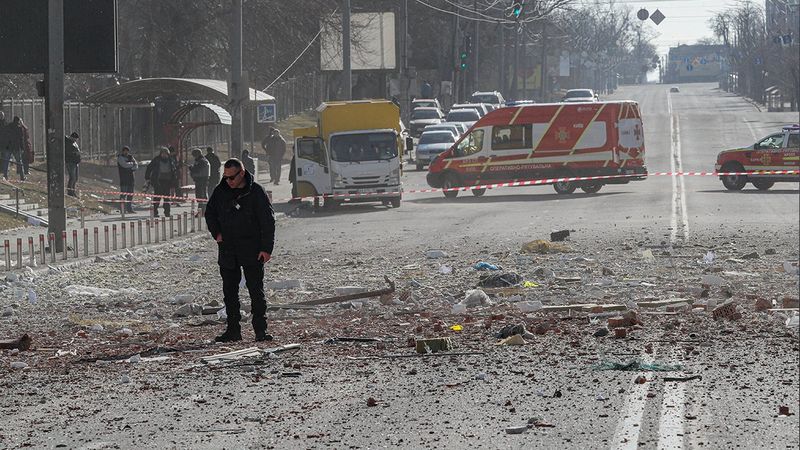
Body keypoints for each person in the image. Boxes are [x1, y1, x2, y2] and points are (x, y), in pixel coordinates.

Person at [205, 158, 275, 343]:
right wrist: (217, 234)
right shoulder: (220, 191)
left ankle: (260, 330)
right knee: (229, 292)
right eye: (225, 177)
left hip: (252, 249)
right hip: (228, 249)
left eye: (232, 177)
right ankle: (233, 330)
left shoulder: (256, 192)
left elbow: (267, 221)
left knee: (255, 291)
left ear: (242, 173)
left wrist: (266, 248)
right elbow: (210, 213)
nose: (228, 181)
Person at [144, 147, 177, 217]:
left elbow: (174, 170)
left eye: (166, 154)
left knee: (167, 198)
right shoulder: (156, 160)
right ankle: (155, 212)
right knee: (157, 197)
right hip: (158, 181)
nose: (164, 155)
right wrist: (147, 177)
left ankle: (167, 212)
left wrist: (174, 180)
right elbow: (149, 167)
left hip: (168, 181)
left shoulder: (171, 160)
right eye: (163, 153)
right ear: (161, 154)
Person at [3, 116, 28, 181]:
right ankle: (22, 176)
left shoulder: (8, 127)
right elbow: (21, 139)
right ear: (18, 121)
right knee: (19, 162)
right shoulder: (19, 128)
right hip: (16, 147)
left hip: (8, 146)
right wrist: (22, 148)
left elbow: (5, 136)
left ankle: (5, 176)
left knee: (6, 161)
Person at [117, 146, 138, 213]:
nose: (126, 152)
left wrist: (131, 167)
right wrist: (132, 164)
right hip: (124, 178)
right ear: (122, 151)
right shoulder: (120, 158)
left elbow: (136, 165)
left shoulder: (131, 157)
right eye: (125, 151)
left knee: (130, 194)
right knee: (123, 194)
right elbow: (124, 165)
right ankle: (122, 209)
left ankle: (129, 208)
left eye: (127, 151)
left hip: (131, 179)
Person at [64, 132, 81, 196]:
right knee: (72, 177)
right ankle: (70, 191)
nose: (76, 140)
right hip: (71, 162)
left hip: (75, 162)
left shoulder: (74, 143)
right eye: (75, 139)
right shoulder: (68, 143)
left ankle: (73, 191)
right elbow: (69, 153)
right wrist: (75, 154)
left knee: (75, 178)